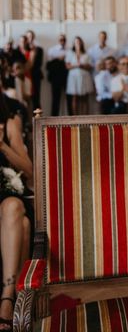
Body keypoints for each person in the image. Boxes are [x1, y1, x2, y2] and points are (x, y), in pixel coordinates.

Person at [0, 92, 33, 330]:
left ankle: (8, 297)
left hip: (5, 192)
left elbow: (29, 169)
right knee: (24, 226)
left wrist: (1, 145)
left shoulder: (9, 121)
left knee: (14, 207)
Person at [65, 37, 94, 115]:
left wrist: (82, 65)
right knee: (74, 98)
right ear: (74, 43)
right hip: (73, 77)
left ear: (81, 43)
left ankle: (85, 117)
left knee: (85, 98)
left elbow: (90, 66)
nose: (78, 43)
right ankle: (75, 117)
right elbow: (67, 66)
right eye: (76, 42)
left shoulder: (86, 53)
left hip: (84, 76)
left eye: (79, 42)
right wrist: (76, 65)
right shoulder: (70, 53)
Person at [46, 34, 69, 116]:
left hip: (67, 78)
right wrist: (58, 59)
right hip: (56, 78)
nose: (62, 41)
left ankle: (71, 117)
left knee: (69, 98)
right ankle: (53, 117)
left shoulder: (69, 51)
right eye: (60, 40)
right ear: (58, 40)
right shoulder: (52, 50)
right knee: (55, 99)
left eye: (64, 40)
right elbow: (48, 65)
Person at [24, 31, 43, 111]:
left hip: (35, 76)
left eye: (31, 36)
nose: (30, 38)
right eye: (28, 36)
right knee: (27, 98)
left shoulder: (39, 49)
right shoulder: (23, 49)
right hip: (25, 76)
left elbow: (39, 64)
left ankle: (39, 119)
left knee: (36, 98)